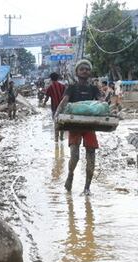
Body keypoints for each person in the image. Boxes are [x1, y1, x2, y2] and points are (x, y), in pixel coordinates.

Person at [55, 59, 102, 194]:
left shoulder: (93, 88)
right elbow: (64, 101)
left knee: (91, 156)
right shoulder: (71, 87)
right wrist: (57, 115)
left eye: (87, 69)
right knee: (74, 156)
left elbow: (101, 101)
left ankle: (87, 187)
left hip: (89, 126)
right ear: (77, 72)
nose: (84, 71)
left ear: (90, 72)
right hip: (74, 125)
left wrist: (110, 109)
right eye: (82, 69)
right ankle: (70, 174)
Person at [42, 71, 67, 142]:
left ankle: (56, 139)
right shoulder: (62, 86)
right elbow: (66, 97)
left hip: (54, 107)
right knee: (62, 122)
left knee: (56, 122)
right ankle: (61, 137)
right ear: (57, 78)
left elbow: (47, 97)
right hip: (62, 107)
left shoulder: (50, 87)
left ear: (51, 79)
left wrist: (44, 103)